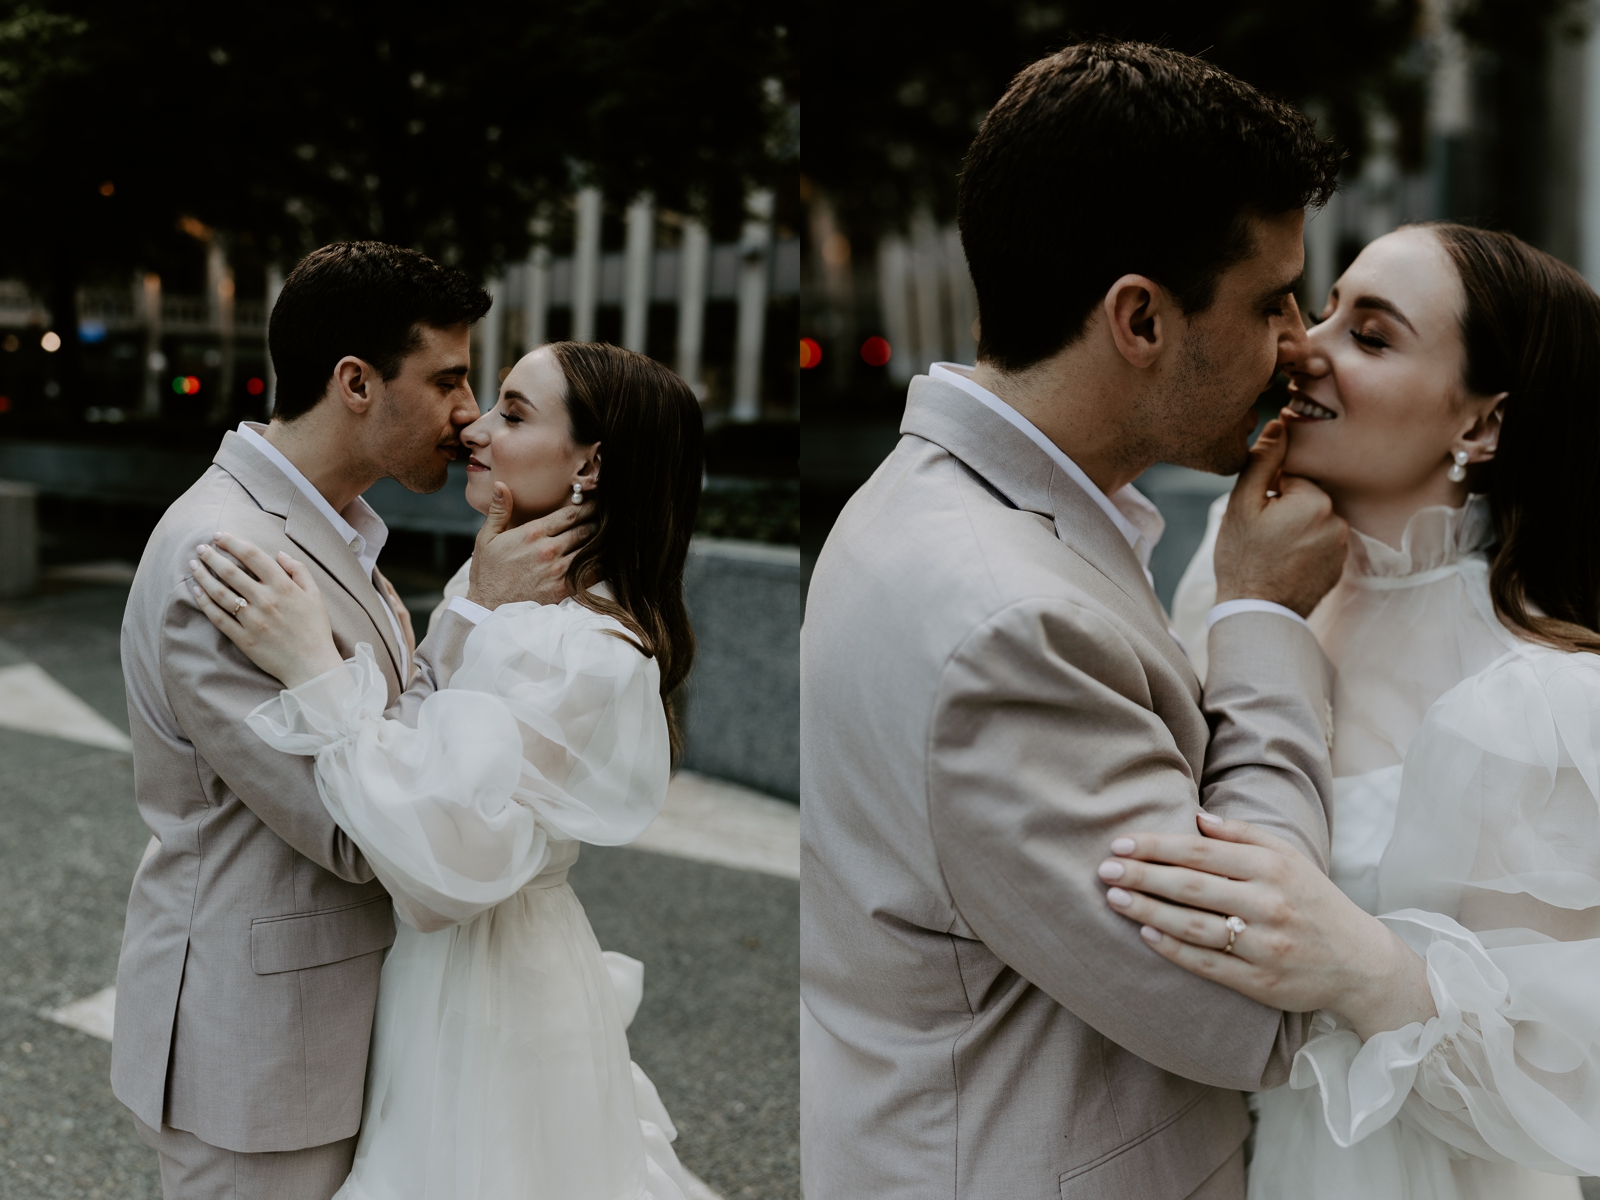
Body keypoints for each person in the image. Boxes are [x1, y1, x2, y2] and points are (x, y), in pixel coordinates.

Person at [800, 41, 1358, 1200]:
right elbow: (1237, 997)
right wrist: (1260, 619)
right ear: (1140, 319)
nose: (1299, 345)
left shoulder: (932, 508)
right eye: (1270, 302)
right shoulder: (1003, 618)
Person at [1104, 226, 1600, 1198]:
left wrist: (1362, 968)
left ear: (1481, 425)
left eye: (1369, 336)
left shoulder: (1541, 700)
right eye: (1323, 308)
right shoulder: (1236, 563)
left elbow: (1559, 1088)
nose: (1305, 346)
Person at [114, 242, 590, 1200]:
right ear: (357, 382)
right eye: (450, 379)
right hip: (259, 1056)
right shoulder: (229, 555)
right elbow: (353, 830)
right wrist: (471, 614)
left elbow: (389, 738)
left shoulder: (336, 531)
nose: (470, 414)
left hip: (337, 1029)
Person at [186, 341, 703, 1200]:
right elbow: (435, 732)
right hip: (452, 971)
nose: (475, 426)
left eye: (512, 410)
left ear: (593, 462)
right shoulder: (513, 587)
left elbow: (446, 860)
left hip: (489, 992)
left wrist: (315, 669)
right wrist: (473, 606)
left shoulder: (581, 646)